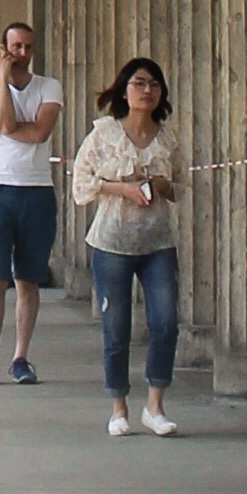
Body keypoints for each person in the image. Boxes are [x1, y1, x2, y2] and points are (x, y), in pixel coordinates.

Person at [73, 60, 184, 437]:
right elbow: (82, 182)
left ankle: (155, 404)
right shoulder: (105, 135)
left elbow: (181, 185)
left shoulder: (167, 139)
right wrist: (122, 187)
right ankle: (118, 405)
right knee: (116, 326)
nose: (147, 90)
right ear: (124, 91)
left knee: (166, 321)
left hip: (158, 242)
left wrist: (160, 183)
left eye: (154, 84)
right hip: (112, 242)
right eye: (139, 83)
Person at [0, 16, 61, 387]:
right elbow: (5, 123)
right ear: (3, 50)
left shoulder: (49, 86)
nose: (23, 54)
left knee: (28, 279)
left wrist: (2, 125)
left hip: (36, 188)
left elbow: (39, 131)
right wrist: (3, 83)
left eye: (28, 47)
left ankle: (21, 356)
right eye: (16, 47)